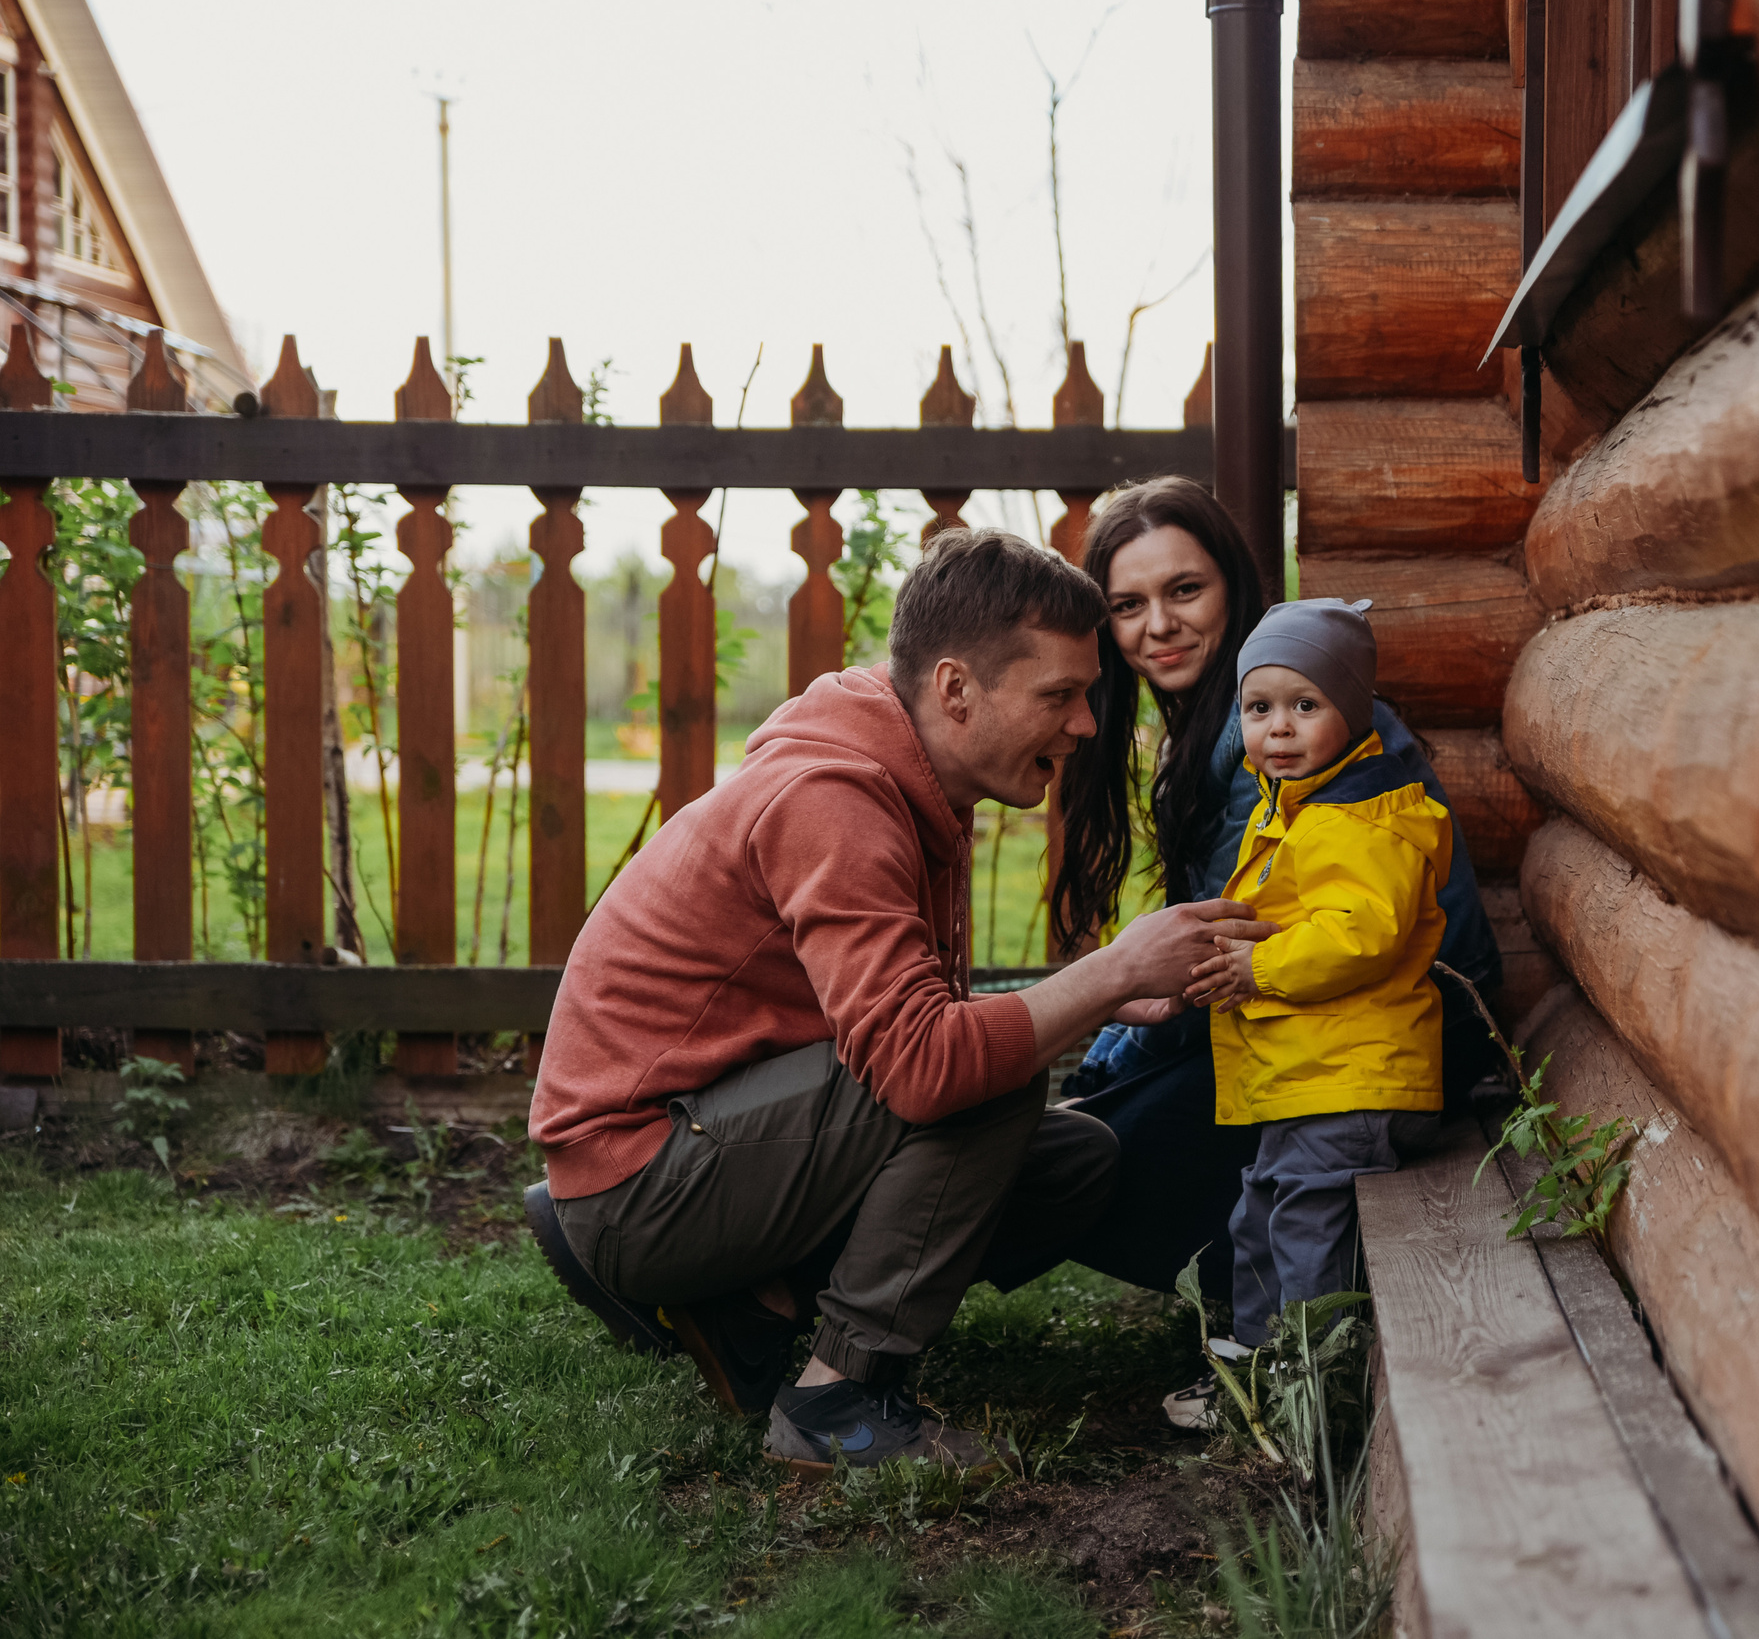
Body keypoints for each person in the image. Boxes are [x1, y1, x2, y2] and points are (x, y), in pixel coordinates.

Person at [521, 528, 1274, 1477]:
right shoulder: (836, 800)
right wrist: (1107, 975)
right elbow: (925, 1064)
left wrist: (1090, 1000)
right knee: (980, 1079)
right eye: (1059, 695)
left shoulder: (917, 774)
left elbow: (900, 1017)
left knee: (1078, 1161)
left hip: (706, 1136)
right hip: (637, 1175)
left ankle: (758, 1304)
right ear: (956, 689)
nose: (1086, 723)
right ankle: (841, 1396)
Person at [1046, 479, 1503, 1418]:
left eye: (1185, 591)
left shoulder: (1288, 742)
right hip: (1317, 1016)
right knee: (1097, 1122)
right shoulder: (1248, 729)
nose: (1157, 627)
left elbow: (1221, 951)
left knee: (1090, 1146)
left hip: (1382, 1044)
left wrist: (1102, 1068)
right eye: (1127, 605)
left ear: (1236, 590)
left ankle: (1286, 1368)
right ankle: (1255, 1340)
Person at [1189, 599, 1450, 1347]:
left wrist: (1257, 966)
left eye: (1306, 704)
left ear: (1355, 711)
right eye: (1259, 707)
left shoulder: (1357, 817)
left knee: (1308, 1222)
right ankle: (1261, 1352)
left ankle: (1313, 1370)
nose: (1279, 726)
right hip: (1312, 1073)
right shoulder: (1298, 810)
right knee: (1263, 1209)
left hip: (1355, 1075)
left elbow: (1363, 931)